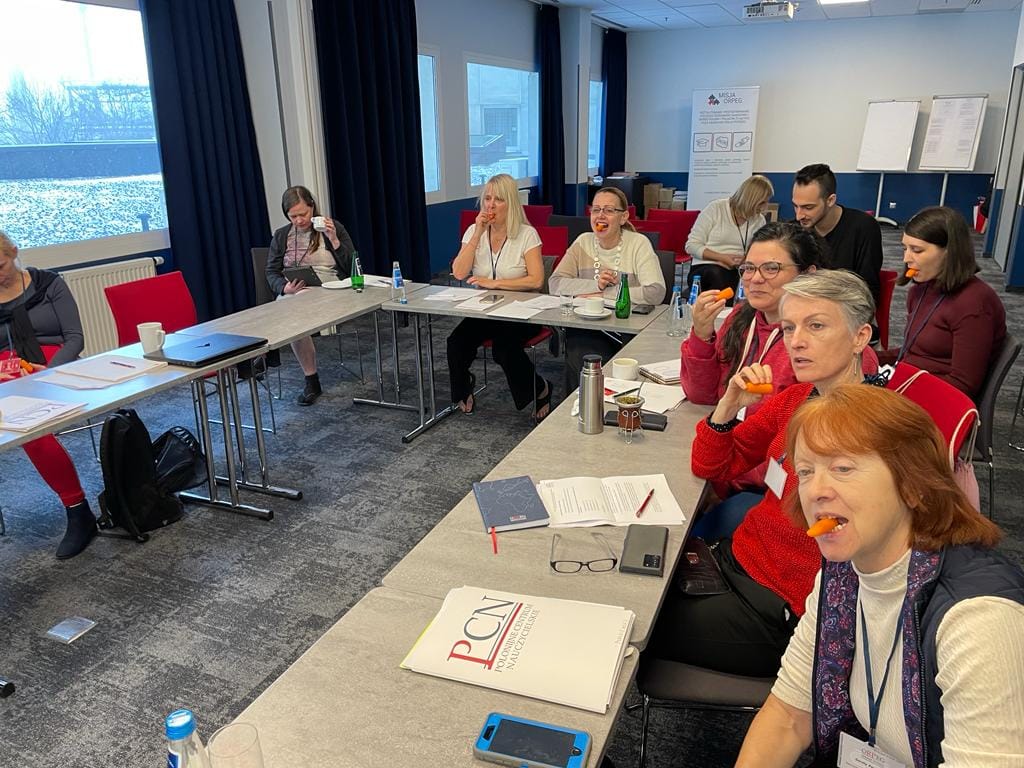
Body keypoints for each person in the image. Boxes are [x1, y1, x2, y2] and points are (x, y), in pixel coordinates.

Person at [736, 385, 1024, 768]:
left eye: (842, 468)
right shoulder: (843, 576)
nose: (815, 490)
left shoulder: (978, 622)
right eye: (805, 471)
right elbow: (789, 716)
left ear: (913, 485)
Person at [646, 270, 880, 677]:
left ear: (860, 337)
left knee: (637, 621)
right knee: (637, 579)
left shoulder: (870, 430)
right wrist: (728, 404)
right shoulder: (798, 397)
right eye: (789, 328)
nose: (797, 341)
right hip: (737, 561)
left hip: (780, 608)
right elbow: (711, 465)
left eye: (816, 326)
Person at [0, 231, 96, 559]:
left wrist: (47, 373)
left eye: (0, 266)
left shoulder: (49, 284)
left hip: (57, 367)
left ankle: (78, 510)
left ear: (14, 252)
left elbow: (75, 338)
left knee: (30, 428)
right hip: (9, 376)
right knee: (20, 418)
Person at [447, 173, 551, 419]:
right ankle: (463, 388)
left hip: (523, 312)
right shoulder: (474, 231)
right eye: (487, 199)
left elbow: (536, 280)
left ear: (511, 203)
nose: (490, 205)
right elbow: (459, 272)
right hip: (486, 310)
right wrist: (477, 234)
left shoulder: (527, 234)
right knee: (456, 342)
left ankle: (541, 388)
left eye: (499, 200)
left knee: (503, 349)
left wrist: (494, 283)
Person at [878, 205, 1006, 399]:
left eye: (917, 250)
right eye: (905, 248)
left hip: (936, 399)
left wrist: (900, 388)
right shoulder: (920, 291)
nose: (906, 258)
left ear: (949, 252)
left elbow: (963, 385)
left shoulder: (974, 304)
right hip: (910, 383)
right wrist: (867, 357)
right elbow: (913, 352)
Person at [549, 187, 666, 383]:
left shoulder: (638, 243)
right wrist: (596, 285)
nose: (600, 216)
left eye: (609, 210)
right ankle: (582, 401)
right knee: (580, 354)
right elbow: (555, 284)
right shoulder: (583, 242)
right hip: (588, 326)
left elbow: (655, 292)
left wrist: (603, 294)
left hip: (628, 328)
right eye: (596, 210)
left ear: (623, 217)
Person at [266, 185, 355, 405]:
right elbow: (271, 272)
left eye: (303, 214)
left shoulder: (332, 228)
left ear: (312, 208)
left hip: (330, 288)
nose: (299, 220)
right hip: (295, 292)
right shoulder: (282, 235)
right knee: (289, 311)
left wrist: (334, 240)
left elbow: (353, 266)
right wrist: (284, 287)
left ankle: (268, 356)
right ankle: (311, 379)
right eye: (293, 216)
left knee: (289, 312)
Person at [792, 163, 882, 309]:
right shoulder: (795, 231)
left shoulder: (863, 227)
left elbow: (868, 290)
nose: (799, 215)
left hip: (846, 310)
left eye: (808, 207)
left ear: (830, 200)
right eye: (795, 206)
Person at [684, 174, 773, 293]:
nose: (764, 208)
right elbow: (691, 246)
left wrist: (745, 260)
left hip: (739, 268)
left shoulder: (759, 220)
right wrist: (721, 258)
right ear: (750, 200)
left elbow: (759, 250)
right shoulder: (716, 209)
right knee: (718, 275)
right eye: (761, 203)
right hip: (706, 266)